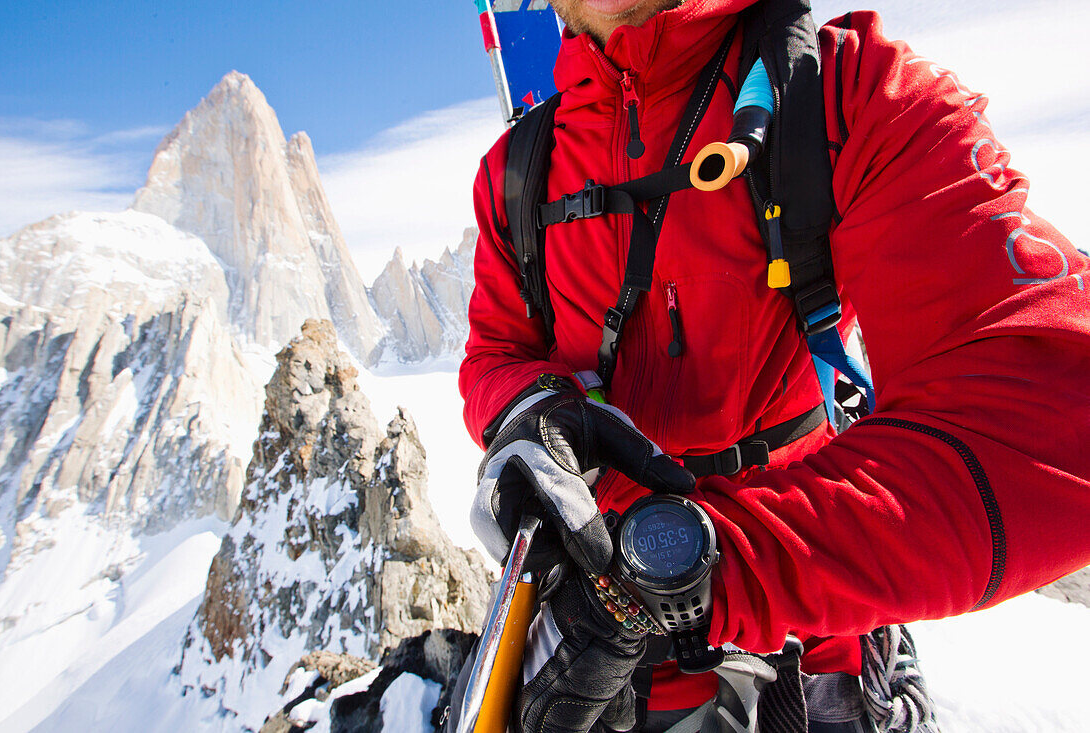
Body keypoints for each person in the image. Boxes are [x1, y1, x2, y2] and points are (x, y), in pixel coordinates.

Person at [458, 0, 1090, 730]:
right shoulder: (516, 174)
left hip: (815, 623)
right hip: (596, 634)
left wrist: (712, 570)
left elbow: (1057, 413)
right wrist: (533, 408)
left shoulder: (848, 96)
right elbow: (495, 356)